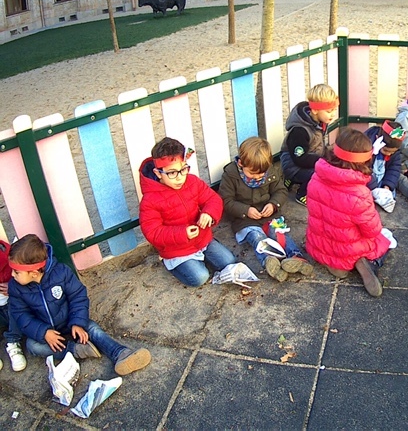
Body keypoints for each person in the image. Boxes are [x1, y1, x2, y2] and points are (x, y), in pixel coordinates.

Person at [8, 234, 151, 375]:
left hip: (69, 321)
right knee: (33, 346)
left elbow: (77, 296)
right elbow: (20, 315)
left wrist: (77, 322)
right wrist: (43, 332)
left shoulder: (61, 273)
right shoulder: (15, 288)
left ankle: (120, 352)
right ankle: (76, 350)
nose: (12, 275)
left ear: (33, 273)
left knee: (92, 328)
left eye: (16, 272)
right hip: (47, 330)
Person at [139, 137, 237, 287]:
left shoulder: (192, 181)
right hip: (176, 250)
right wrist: (182, 234)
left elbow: (213, 199)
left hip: (202, 239)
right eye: (172, 173)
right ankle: (173, 265)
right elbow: (152, 232)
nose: (179, 178)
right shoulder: (150, 200)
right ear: (158, 173)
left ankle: (200, 257)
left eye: (183, 169)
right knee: (200, 277)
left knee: (229, 261)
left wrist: (209, 213)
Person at [306, 127, 392, 297]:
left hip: (318, 242)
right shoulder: (360, 194)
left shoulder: (316, 177)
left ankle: (334, 264)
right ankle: (369, 263)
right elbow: (372, 230)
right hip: (348, 247)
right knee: (385, 239)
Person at [219, 137, 313, 282]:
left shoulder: (270, 171)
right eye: (252, 173)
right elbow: (226, 201)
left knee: (279, 234)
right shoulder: (231, 175)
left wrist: (273, 204)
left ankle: (296, 258)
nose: (257, 177)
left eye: (261, 174)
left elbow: (280, 191)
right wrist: (245, 210)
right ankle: (269, 261)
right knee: (257, 237)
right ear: (241, 163)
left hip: (269, 216)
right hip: (244, 219)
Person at [280, 83, 338, 206]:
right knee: (318, 174)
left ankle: (290, 181)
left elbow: (317, 144)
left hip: (308, 157)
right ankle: (302, 194)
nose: (333, 114)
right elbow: (300, 159)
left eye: (334, 110)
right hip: (293, 164)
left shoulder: (320, 121)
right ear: (315, 110)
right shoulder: (299, 131)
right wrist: (322, 161)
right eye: (329, 111)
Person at [0, 240, 26, 372]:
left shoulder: (8, 254)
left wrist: (13, 287)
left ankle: (13, 341)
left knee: (16, 305)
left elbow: (28, 282)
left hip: (13, 306)